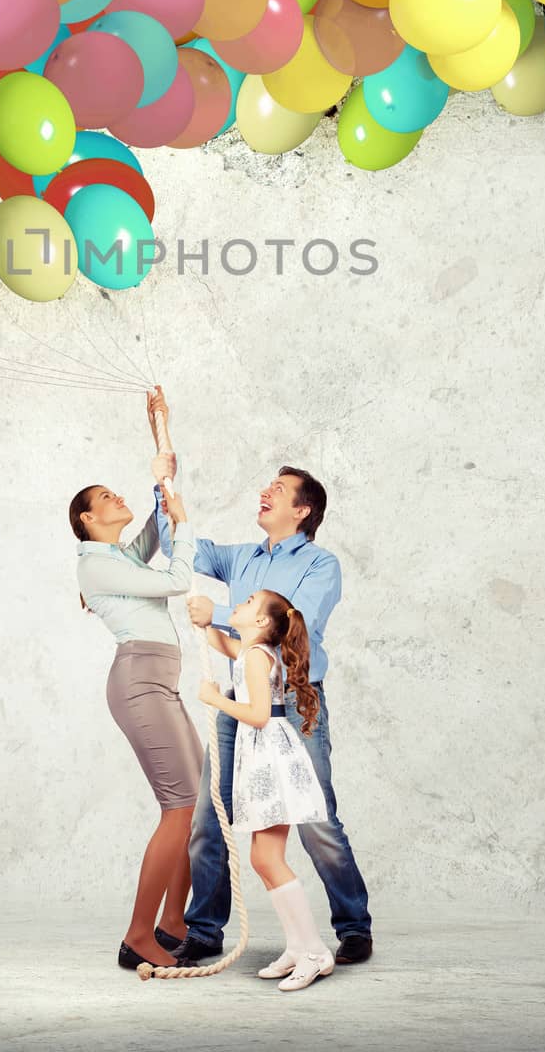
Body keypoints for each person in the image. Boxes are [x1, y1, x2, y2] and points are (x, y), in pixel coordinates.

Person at [171, 466, 375, 968]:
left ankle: (353, 927)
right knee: (209, 818)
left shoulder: (320, 564)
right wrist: (167, 493)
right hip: (242, 699)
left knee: (316, 819)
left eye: (279, 490)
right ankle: (203, 930)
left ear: (302, 511)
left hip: (293, 706)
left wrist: (216, 613)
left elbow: (289, 623)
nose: (265, 492)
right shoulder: (239, 557)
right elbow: (184, 547)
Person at [70, 389, 203, 972]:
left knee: (192, 808)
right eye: (106, 497)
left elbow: (155, 532)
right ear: (87, 518)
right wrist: (185, 525)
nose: (114, 496)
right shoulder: (95, 562)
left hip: (159, 681)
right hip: (140, 682)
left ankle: (174, 922)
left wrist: (161, 445)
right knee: (179, 806)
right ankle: (138, 937)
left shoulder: (120, 555)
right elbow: (175, 576)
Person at [198, 588, 334, 991]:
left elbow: (258, 715)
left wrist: (213, 699)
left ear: (260, 623)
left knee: (270, 859)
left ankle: (313, 950)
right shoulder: (250, 651)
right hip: (262, 757)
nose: (237, 604)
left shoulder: (257, 657)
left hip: (269, 757)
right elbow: (218, 639)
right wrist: (202, 618)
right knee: (262, 858)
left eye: (248, 602)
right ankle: (296, 946)